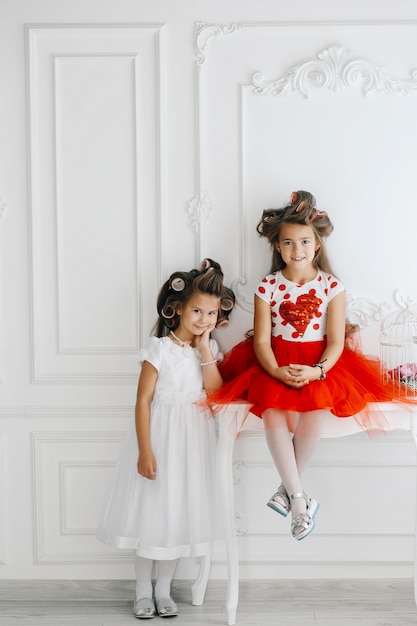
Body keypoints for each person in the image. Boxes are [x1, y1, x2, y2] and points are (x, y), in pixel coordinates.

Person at [208, 190, 408, 542]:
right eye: (288, 242)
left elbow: (334, 342)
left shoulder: (332, 286)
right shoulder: (267, 286)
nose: (296, 249)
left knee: (315, 407)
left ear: (317, 244)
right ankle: (300, 502)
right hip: (275, 361)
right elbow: (260, 341)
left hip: (320, 363)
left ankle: (289, 491)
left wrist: (318, 371)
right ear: (278, 248)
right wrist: (275, 370)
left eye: (304, 241)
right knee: (271, 409)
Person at [97, 259, 235, 619]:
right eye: (197, 311)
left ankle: (164, 589)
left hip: (192, 445)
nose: (204, 319)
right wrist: (145, 450)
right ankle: (143, 589)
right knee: (152, 513)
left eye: (211, 313)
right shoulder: (158, 349)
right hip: (159, 440)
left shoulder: (208, 352)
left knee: (176, 514)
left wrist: (206, 350)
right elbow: (143, 400)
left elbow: (217, 394)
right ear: (178, 309)